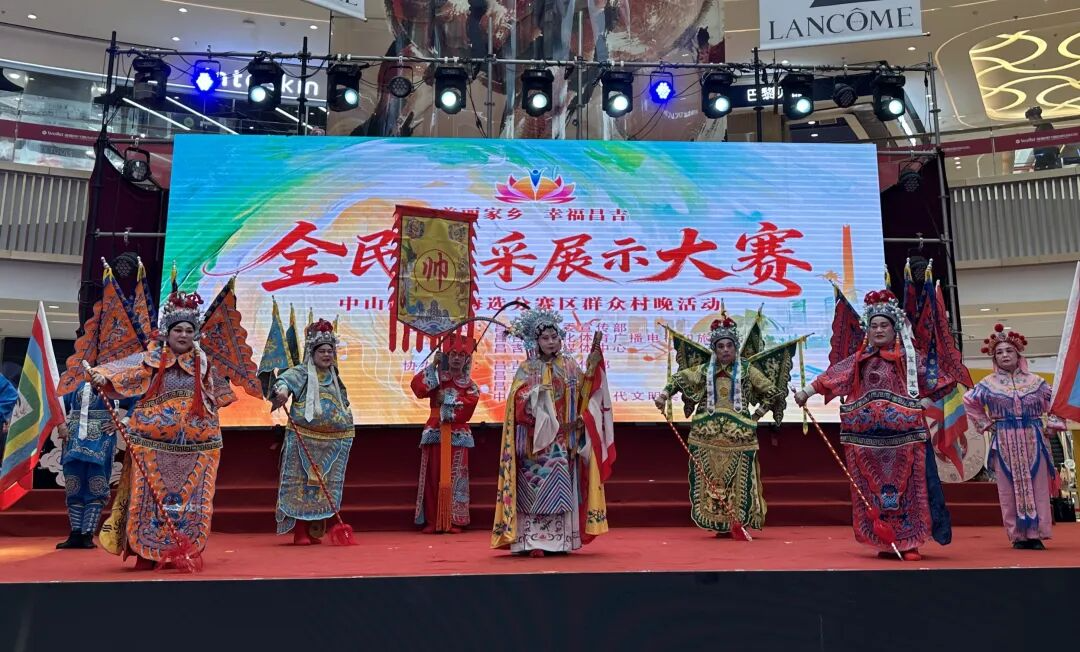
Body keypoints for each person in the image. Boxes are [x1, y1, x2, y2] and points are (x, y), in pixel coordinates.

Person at [795, 289, 952, 561]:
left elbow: (941, 379)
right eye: (874, 326)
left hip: (906, 440)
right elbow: (831, 377)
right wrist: (806, 393)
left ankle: (909, 543)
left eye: (884, 326)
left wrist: (922, 403)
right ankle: (884, 541)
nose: (879, 330)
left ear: (894, 329)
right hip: (868, 443)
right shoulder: (860, 359)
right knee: (875, 492)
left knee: (909, 491)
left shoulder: (909, 358)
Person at [89, 291, 235, 569]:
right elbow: (124, 373)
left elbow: (220, 396)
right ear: (167, 332)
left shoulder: (203, 363)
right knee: (146, 499)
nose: (183, 335)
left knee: (189, 502)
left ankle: (180, 548)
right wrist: (102, 377)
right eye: (178, 330)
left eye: (189, 330)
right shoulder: (151, 359)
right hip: (151, 445)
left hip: (195, 448)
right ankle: (146, 554)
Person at [653, 312, 788, 536]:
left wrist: (757, 415)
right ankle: (719, 524)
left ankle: (738, 522)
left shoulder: (747, 370)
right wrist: (663, 396)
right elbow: (679, 379)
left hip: (739, 436)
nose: (725, 350)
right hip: (707, 435)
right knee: (711, 480)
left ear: (736, 347)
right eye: (720, 346)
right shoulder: (705, 370)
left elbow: (772, 392)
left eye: (729, 345)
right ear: (715, 349)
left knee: (739, 479)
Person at [491, 308, 609, 556]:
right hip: (534, 440)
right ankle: (531, 542)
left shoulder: (569, 365)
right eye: (545, 338)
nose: (551, 342)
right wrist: (533, 398)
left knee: (559, 487)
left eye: (554, 337)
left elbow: (584, 392)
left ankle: (560, 542)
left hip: (561, 439)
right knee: (531, 488)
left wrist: (592, 369)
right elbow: (515, 400)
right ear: (536, 342)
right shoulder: (527, 367)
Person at [963, 324, 1066, 549]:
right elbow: (969, 401)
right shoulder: (987, 384)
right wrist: (986, 423)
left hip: (1033, 437)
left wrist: (1053, 425)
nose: (1004, 355)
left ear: (1018, 354)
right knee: (1007, 488)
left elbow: (1056, 402)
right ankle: (1018, 535)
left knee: (1038, 485)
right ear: (994, 358)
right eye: (999, 352)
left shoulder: (1036, 382)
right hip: (1004, 438)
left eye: (1009, 351)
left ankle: (1037, 534)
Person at [271, 319, 354, 545]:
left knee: (321, 485)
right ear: (312, 352)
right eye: (322, 351)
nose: (327, 355)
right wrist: (282, 391)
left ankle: (313, 530)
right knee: (300, 484)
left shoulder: (334, 376)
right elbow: (284, 382)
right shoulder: (302, 372)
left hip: (331, 443)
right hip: (304, 440)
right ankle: (300, 532)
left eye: (330, 351)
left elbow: (343, 402)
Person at [410, 335, 480, 534]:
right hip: (436, 430)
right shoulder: (437, 378)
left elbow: (468, 408)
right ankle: (433, 520)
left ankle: (454, 520)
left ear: (467, 359)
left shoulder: (470, 386)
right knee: (433, 477)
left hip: (457, 434)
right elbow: (417, 388)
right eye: (453, 354)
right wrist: (433, 366)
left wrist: (447, 399)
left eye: (461, 355)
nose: (457, 358)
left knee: (457, 476)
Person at [54, 381, 136, 550]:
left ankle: (87, 534)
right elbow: (57, 402)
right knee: (73, 484)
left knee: (96, 485)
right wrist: (60, 424)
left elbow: (138, 399)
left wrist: (123, 422)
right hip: (73, 438)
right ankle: (76, 533)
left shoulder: (113, 380)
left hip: (101, 438)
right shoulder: (74, 381)